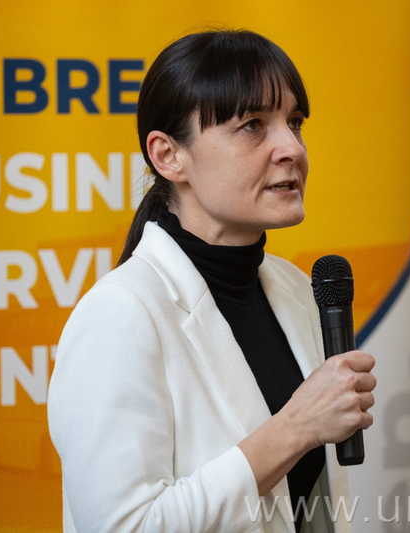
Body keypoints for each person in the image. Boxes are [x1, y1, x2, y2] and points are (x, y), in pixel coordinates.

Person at [47, 29, 376, 533]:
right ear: (168, 156)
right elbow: (124, 527)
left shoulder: (294, 289)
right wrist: (294, 429)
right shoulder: (119, 313)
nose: (291, 148)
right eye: (252, 125)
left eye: (294, 122)